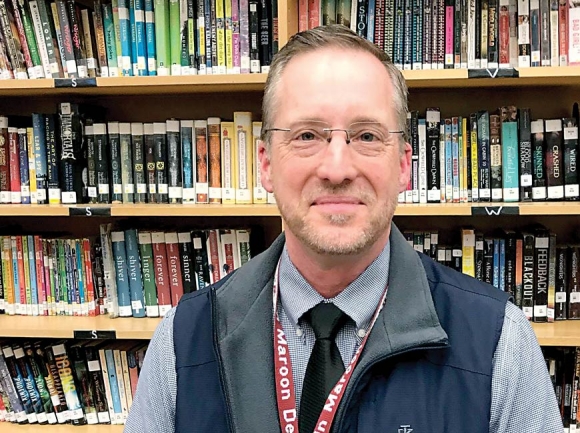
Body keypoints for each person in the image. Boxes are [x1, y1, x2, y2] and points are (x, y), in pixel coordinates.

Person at [125, 24, 563, 433]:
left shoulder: (498, 343)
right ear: (266, 164)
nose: (337, 169)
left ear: (404, 165)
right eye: (307, 136)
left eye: (367, 136)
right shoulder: (182, 342)